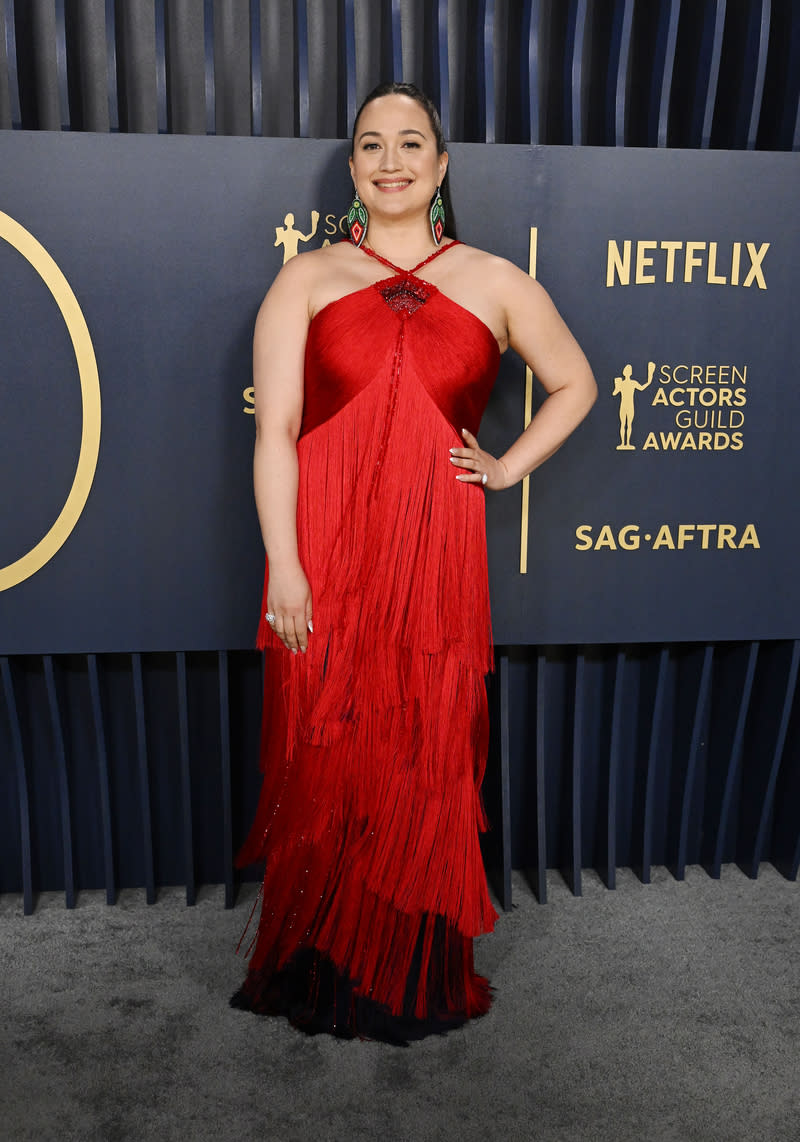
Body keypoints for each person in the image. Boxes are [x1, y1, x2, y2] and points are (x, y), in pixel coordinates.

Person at [231, 82, 597, 1044]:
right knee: (333, 747)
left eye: (411, 144)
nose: (390, 160)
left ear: (439, 166)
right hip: (326, 552)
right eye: (370, 146)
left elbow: (575, 383)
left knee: (424, 749)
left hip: (435, 558)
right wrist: (286, 566)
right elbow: (276, 437)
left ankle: (409, 968)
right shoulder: (306, 278)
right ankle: (321, 961)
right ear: (352, 168)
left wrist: (508, 465)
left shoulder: (495, 279)